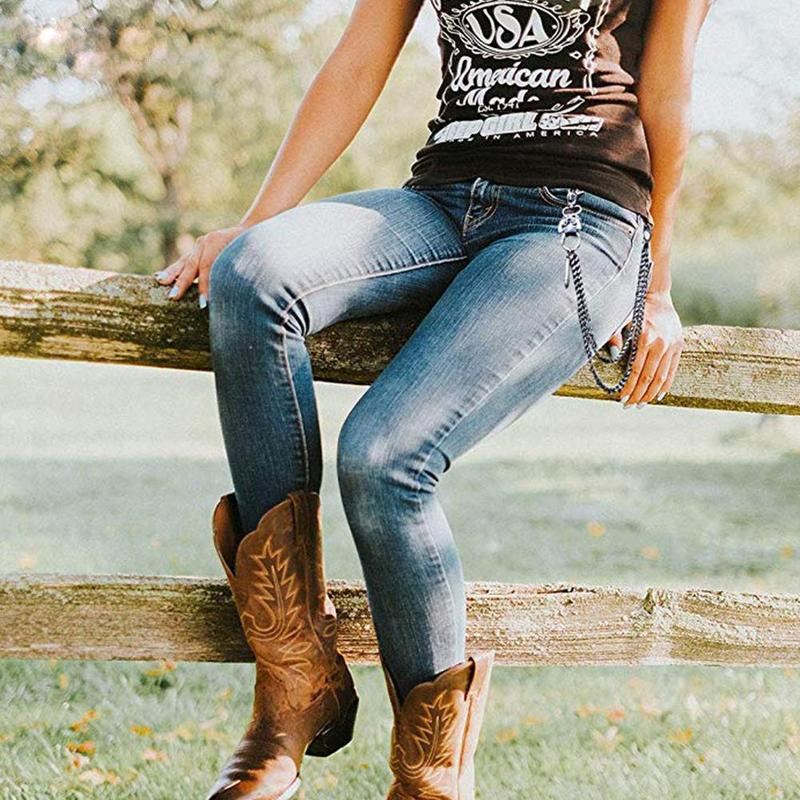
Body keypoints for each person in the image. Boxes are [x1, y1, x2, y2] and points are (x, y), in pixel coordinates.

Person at [154, 0, 711, 796]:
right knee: (254, 275)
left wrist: (657, 284)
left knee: (386, 456)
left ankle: (431, 780)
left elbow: (670, 92)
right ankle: (293, 684)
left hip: (579, 218)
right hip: (443, 196)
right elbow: (357, 60)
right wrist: (254, 223)